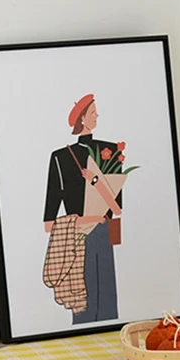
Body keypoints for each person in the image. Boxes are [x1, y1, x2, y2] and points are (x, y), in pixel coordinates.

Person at [43, 94, 119, 323]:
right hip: (78, 233)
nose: (98, 116)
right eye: (93, 112)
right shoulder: (60, 157)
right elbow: (50, 217)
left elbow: (117, 207)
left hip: (104, 231)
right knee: (82, 297)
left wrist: (114, 235)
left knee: (106, 296)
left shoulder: (110, 151)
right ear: (82, 119)